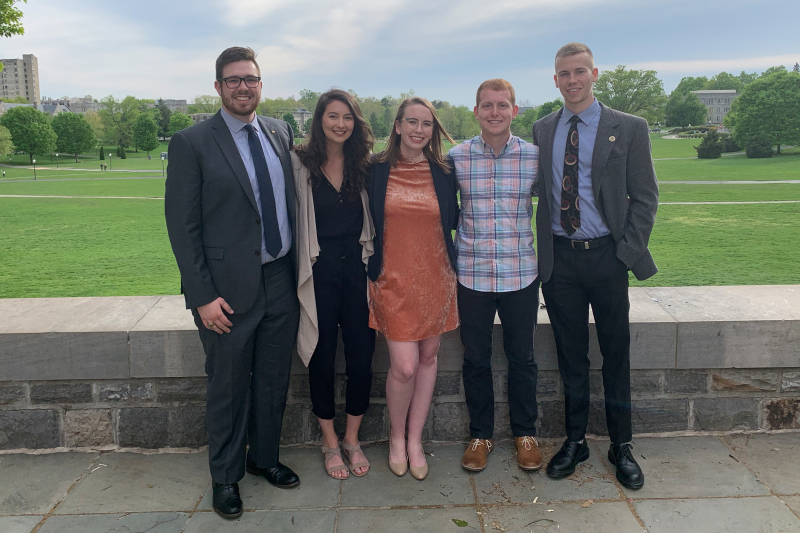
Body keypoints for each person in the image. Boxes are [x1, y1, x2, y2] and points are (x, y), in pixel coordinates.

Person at [164, 46, 301, 520]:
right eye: (234, 79)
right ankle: (225, 476)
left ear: (261, 85)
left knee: (272, 379)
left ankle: (264, 459)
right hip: (225, 290)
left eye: (251, 79)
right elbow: (182, 228)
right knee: (227, 384)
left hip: (280, 279)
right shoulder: (192, 142)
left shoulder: (280, 132)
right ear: (218, 86)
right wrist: (201, 297)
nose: (244, 87)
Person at [531, 42, 659, 490]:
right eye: (564, 73)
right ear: (555, 79)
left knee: (615, 354)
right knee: (570, 356)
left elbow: (645, 197)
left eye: (579, 71)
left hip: (607, 257)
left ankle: (621, 445)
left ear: (594, 74)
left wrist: (624, 254)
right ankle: (575, 440)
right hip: (559, 261)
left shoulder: (628, 127)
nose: (572, 80)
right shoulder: (543, 127)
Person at [450, 79, 543, 474]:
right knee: (476, 360)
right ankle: (481, 435)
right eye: (486, 106)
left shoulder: (535, 157)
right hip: (471, 274)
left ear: (514, 111)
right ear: (476, 112)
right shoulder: (455, 157)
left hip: (521, 273)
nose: (494, 112)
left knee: (522, 358)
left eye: (502, 105)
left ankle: (525, 433)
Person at [368, 97, 459, 481]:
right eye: (412, 122)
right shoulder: (374, 169)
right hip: (392, 279)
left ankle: (415, 440)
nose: (419, 130)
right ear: (399, 126)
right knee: (403, 367)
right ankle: (396, 437)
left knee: (428, 357)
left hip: (437, 278)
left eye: (426, 124)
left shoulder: (444, 170)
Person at [293, 89, 376, 480]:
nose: (340, 124)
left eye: (347, 117)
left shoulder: (365, 165)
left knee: (362, 358)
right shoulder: (299, 164)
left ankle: (352, 439)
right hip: (319, 272)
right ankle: (329, 441)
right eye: (332, 116)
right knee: (321, 358)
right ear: (319, 120)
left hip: (358, 273)